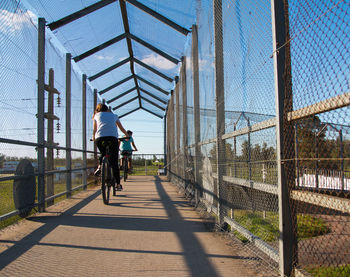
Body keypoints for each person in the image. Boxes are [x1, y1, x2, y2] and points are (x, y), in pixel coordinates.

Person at [92, 103, 128, 191]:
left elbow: (95, 129)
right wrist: (127, 135)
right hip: (112, 138)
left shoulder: (96, 115)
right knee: (114, 162)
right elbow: (121, 128)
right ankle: (118, 184)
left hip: (100, 138)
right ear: (107, 109)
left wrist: (93, 137)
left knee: (103, 153)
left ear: (98, 110)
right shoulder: (114, 115)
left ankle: (100, 167)